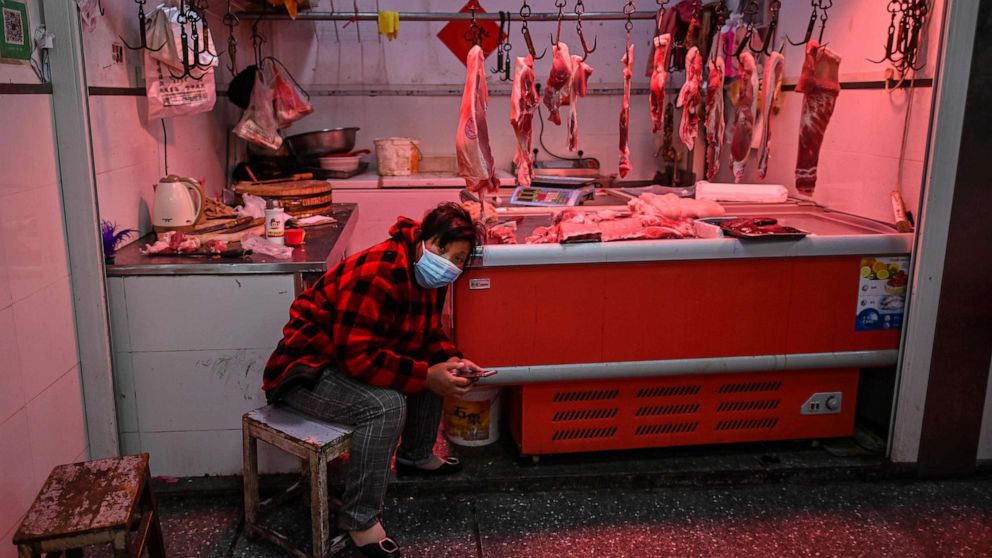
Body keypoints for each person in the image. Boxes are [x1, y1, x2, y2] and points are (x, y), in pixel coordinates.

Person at [262, 202, 486, 558]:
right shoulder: (376, 274)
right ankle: (360, 520)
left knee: (436, 368)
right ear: (424, 239)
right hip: (306, 370)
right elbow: (357, 357)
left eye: (458, 259)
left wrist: (449, 360)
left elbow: (427, 333)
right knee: (386, 405)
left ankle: (415, 455)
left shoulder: (426, 273)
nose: (448, 263)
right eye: (443, 250)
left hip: (347, 360)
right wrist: (425, 375)